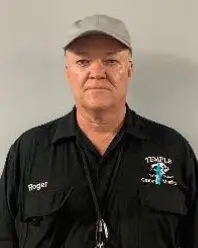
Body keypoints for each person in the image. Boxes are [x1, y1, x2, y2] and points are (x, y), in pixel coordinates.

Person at [0, 14, 197, 248]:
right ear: (67, 72)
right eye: (83, 62)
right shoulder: (29, 151)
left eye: (111, 61)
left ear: (130, 69)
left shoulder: (173, 149)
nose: (97, 72)